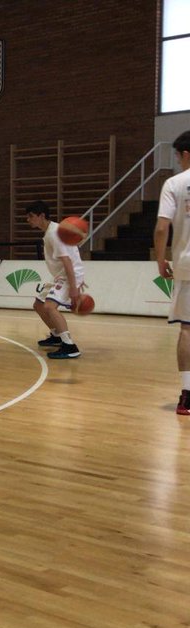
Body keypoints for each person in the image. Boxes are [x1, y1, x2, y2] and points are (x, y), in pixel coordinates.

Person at [154, 129, 190, 415]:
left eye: (178, 156)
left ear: (186, 154)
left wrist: (160, 259)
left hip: (187, 265)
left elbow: (161, 227)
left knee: (188, 329)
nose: (178, 161)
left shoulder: (174, 184)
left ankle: (187, 395)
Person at [27, 200, 84, 359]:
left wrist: (74, 287)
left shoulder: (54, 233)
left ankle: (70, 346)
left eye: (31, 216)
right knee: (38, 305)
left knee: (49, 307)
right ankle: (57, 335)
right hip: (61, 274)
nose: (28, 219)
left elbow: (67, 261)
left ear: (41, 216)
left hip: (68, 274)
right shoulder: (52, 230)